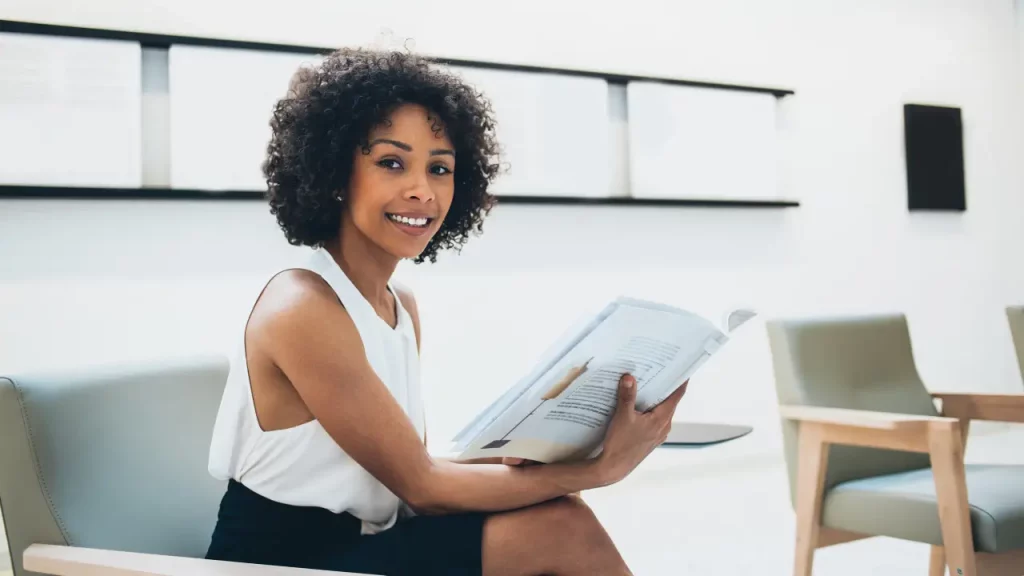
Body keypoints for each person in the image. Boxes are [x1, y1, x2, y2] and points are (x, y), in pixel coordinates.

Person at [204, 47, 687, 576]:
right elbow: (424, 488)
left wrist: (547, 455)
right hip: (281, 565)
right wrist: (599, 470)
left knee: (554, 514)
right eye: (391, 162)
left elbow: (409, 467)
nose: (422, 190)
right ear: (335, 173)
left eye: (440, 169)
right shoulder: (303, 307)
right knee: (560, 527)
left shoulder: (399, 305)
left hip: (364, 546)